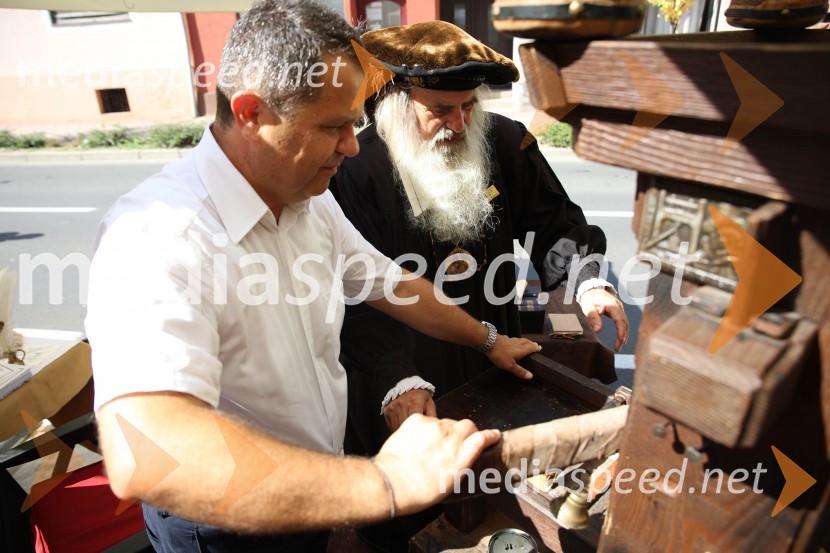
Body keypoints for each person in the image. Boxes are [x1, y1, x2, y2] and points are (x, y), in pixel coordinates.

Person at [84, 3, 542, 552]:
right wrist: (384, 483)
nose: (351, 146)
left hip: (314, 495)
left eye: (353, 123)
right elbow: (149, 455)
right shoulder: (158, 234)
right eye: (334, 126)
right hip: (225, 529)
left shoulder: (307, 201)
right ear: (252, 113)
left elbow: (391, 285)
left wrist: (487, 340)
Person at [330, 16, 629, 500]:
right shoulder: (356, 170)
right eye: (442, 110)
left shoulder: (506, 143)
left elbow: (555, 223)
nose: (460, 123)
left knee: (492, 485)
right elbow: (354, 295)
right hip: (404, 369)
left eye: (470, 105)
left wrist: (588, 280)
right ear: (396, 104)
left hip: (494, 347)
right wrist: (395, 378)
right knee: (411, 504)